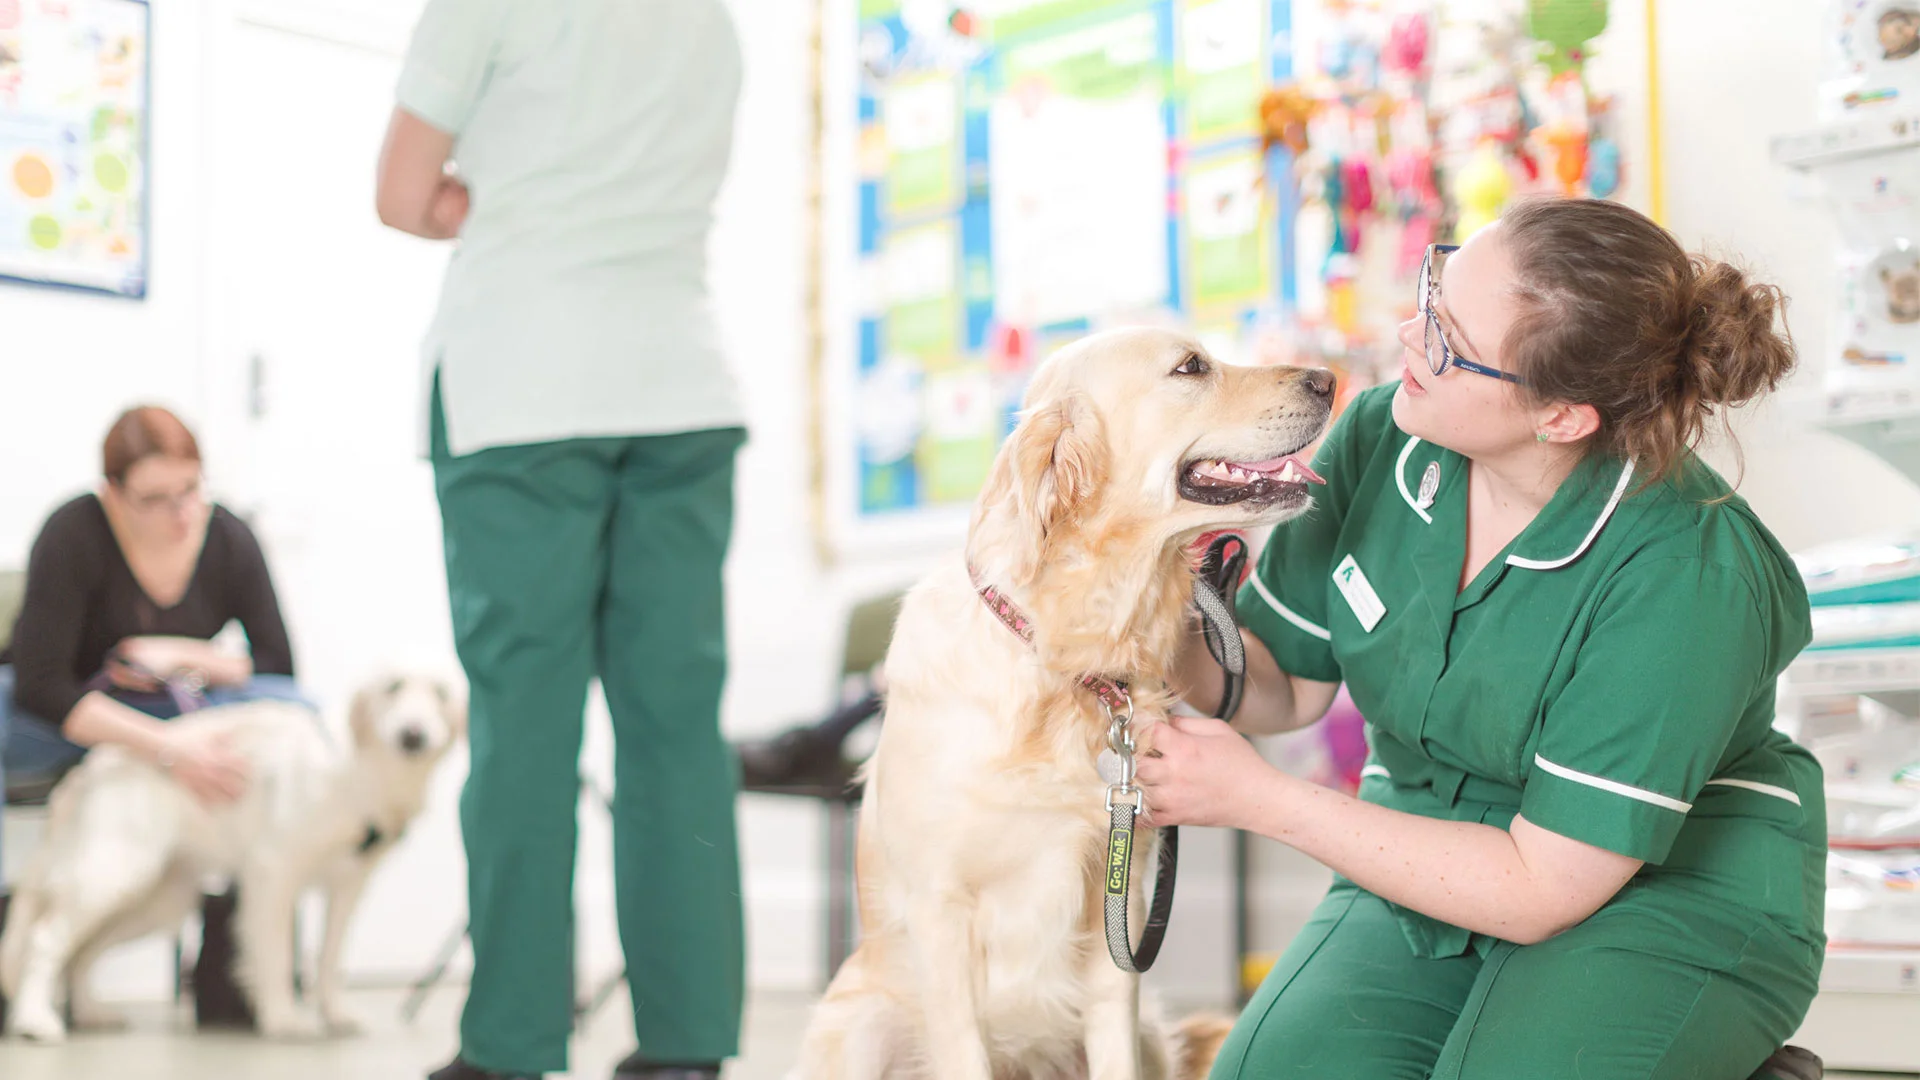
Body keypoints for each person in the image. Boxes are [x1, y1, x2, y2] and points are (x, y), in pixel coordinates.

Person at [1137, 198, 1826, 1080]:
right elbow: (1276, 684)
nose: (1406, 336)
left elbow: (1540, 886)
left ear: (1562, 417)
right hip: (1428, 838)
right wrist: (1144, 607)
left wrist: (1259, 799)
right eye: (1432, 295)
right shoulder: (1387, 437)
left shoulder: (1688, 572)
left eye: (1448, 340)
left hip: (1663, 885)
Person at [375, 2, 748, 1078]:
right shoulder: (710, 22)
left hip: (522, 390)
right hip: (681, 385)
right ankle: (686, 1046)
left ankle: (511, 1044)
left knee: (525, 732)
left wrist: (487, 202)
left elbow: (403, 195)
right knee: (676, 729)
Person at [0, 405, 310, 1030]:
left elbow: (278, 665)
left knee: (301, 717)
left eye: (191, 490)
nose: (181, 513)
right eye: (156, 498)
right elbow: (42, 684)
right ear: (113, 494)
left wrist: (185, 654)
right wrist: (167, 749)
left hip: (170, 702)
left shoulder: (228, 537)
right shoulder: (74, 530)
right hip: (60, 714)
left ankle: (233, 955)